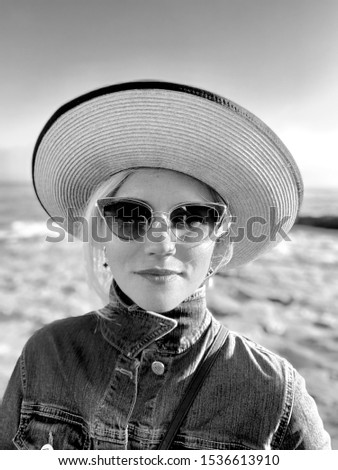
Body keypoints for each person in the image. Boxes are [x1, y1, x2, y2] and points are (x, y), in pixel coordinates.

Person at [0, 81, 331, 450]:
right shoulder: (44, 357)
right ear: (101, 231)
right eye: (129, 214)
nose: (161, 242)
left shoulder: (276, 398)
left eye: (191, 218)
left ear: (218, 242)